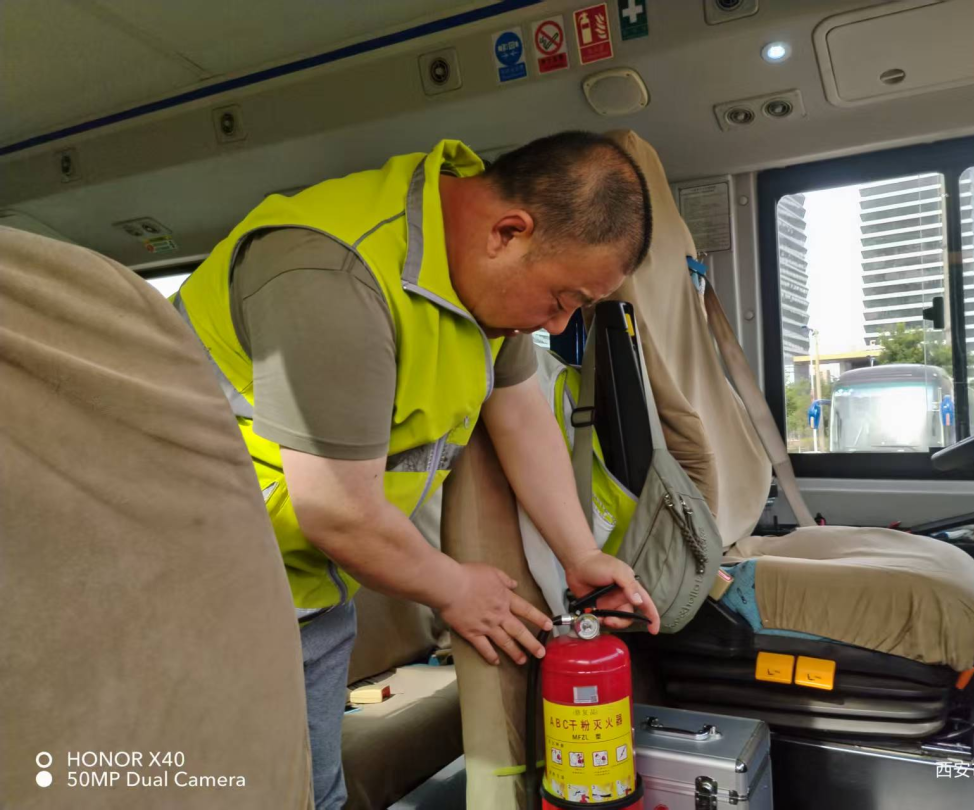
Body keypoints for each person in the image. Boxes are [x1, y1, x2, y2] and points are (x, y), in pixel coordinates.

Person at [172, 130, 659, 809]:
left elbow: (519, 416)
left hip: (303, 584)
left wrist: (578, 553)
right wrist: (454, 587)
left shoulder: (480, 283)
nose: (558, 325)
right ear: (509, 232)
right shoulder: (331, 274)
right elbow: (337, 508)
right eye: (563, 298)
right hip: (206, 591)